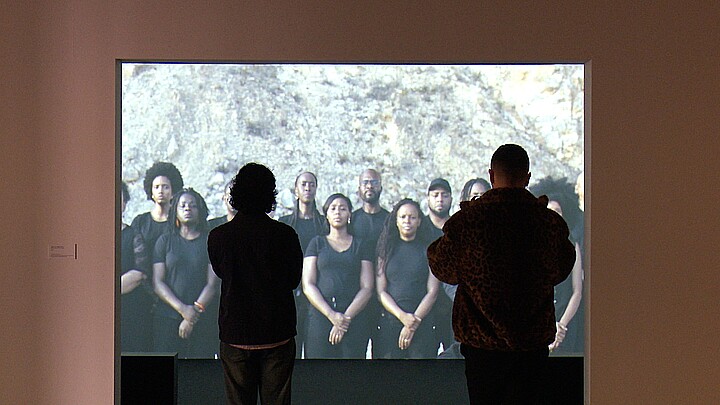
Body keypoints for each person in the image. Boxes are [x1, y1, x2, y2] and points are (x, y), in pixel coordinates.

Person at [427, 144, 576, 404]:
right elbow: (561, 268)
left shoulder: (467, 222)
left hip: (482, 349)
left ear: (492, 176)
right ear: (527, 178)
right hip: (531, 346)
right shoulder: (548, 223)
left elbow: (442, 267)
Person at [208, 163, 303, 405]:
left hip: (235, 334)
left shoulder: (218, 236)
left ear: (236, 194)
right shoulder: (286, 235)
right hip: (277, 333)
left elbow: (221, 273)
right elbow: (293, 281)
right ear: (270, 195)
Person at [302, 193, 374, 358]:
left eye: (343, 209)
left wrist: (345, 319)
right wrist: (332, 315)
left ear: (349, 214)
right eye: (333, 208)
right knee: (320, 374)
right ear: (326, 214)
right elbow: (308, 284)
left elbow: (367, 287)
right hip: (321, 317)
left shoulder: (361, 245)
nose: (338, 212)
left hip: (353, 318)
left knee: (351, 375)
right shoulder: (317, 243)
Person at [152, 188, 219, 358]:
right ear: (175, 210)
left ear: (200, 210)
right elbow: (158, 282)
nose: (187, 208)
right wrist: (183, 310)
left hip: (202, 319)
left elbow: (212, 283)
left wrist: (192, 315)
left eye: (192, 205)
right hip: (168, 317)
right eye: (182, 205)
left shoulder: (210, 241)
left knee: (199, 373)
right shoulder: (164, 241)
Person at [375, 199, 440, 359]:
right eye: (403, 217)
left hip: (422, 322)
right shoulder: (385, 250)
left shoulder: (429, 251)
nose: (407, 221)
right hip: (391, 321)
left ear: (419, 221)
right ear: (396, 221)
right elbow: (381, 291)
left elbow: (433, 291)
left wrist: (413, 322)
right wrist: (402, 317)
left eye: (412, 217)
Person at [437, 177, 490, 359]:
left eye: (483, 195)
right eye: (474, 195)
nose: (479, 200)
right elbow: (447, 277)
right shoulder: (456, 230)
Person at [531, 177, 585, 355]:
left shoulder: (571, 245)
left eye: (557, 211)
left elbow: (577, 290)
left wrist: (561, 326)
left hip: (566, 324)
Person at [279, 171, 327, 358]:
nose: (308, 188)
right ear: (296, 190)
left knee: (317, 352)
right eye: (304, 184)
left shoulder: (324, 223)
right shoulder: (284, 224)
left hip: (318, 294)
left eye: (312, 184)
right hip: (290, 296)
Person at [350, 168, 389, 357]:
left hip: (384, 297)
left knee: (382, 354)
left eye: (374, 182)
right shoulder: (352, 220)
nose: (369, 186)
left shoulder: (390, 220)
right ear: (359, 188)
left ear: (381, 187)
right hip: (357, 296)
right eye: (365, 182)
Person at [131, 161, 184, 275]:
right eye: (156, 187)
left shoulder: (180, 221)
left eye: (165, 187)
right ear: (151, 191)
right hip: (144, 280)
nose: (160, 191)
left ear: (173, 191)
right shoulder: (140, 222)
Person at [120, 181, 153, 352]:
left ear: (124, 204)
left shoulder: (133, 235)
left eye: (119, 198)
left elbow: (140, 273)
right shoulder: (90, 237)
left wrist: (104, 291)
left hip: (131, 311)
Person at [425, 178, 454, 355]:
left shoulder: (458, 227)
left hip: (453, 308)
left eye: (444, 195)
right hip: (426, 309)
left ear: (451, 198)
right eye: (435, 195)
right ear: (427, 198)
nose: (440, 199)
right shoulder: (419, 227)